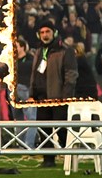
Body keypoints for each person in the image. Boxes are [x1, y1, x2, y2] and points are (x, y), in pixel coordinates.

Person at [29, 18, 78, 167]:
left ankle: (69, 157)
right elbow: (34, 74)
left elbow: (71, 75)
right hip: (42, 98)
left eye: (47, 31)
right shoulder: (39, 51)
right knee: (44, 130)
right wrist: (32, 93)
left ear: (54, 33)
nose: (45, 35)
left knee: (61, 129)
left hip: (58, 97)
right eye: (42, 32)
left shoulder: (65, 50)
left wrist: (65, 97)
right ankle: (48, 160)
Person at [13, 37, 37, 149]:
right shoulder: (12, 60)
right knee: (18, 118)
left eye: (16, 46)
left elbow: (29, 68)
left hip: (27, 90)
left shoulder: (29, 59)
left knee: (32, 118)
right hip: (14, 90)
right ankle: (21, 145)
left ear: (22, 47)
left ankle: (28, 144)